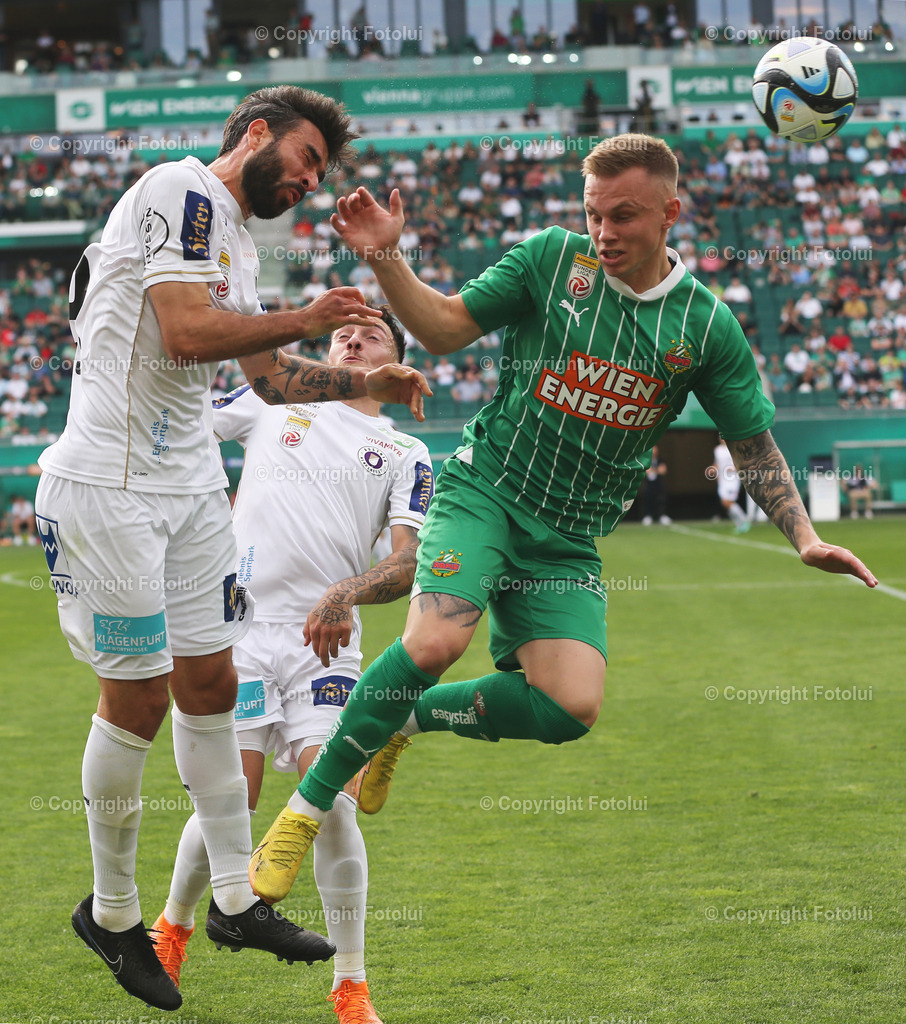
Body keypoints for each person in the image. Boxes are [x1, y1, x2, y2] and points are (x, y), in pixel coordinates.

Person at [248, 134, 877, 910]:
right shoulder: (551, 261)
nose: (604, 232)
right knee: (437, 639)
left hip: (567, 536)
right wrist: (386, 258)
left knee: (569, 707)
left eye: (624, 216)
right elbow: (443, 328)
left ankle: (405, 719)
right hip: (486, 491)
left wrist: (806, 535)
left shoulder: (705, 327)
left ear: (671, 213)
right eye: (593, 215)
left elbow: (750, 443)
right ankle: (304, 810)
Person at [32, 85, 429, 1012]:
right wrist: (305, 316)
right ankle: (117, 915)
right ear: (256, 133)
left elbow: (269, 378)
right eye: (304, 160)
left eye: (320, 173)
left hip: (186, 490)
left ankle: (236, 900)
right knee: (134, 695)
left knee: (206, 685)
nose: (307, 181)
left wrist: (364, 374)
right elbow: (183, 333)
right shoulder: (180, 189)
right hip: (113, 484)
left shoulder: (236, 245)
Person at [151, 309, 432, 1022]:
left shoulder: (403, 451)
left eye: (372, 334)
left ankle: (351, 984)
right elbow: (178, 425)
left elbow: (407, 561)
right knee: (228, 803)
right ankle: (172, 930)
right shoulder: (271, 398)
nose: (353, 336)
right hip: (239, 630)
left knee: (333, 801)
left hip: (325, 643)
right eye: (344, 332)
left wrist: (344, 593)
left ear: (395, 360)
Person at [709, 437, 749, 533]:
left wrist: (734, 469)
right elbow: (717, 463)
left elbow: (741, 463)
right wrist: (713, 469)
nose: (721, 438)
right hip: (722, 480)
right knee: (724, 503)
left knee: (728, 501)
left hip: (732, 479)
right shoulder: (717, 450)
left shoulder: (734, 448)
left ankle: (744, 519)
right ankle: (739, 524)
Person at [640, 445, 671, 526]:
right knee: (648, 499)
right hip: (648, 485)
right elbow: (646, 471)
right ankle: (648, 516)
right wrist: (657, 470)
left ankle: (662, 516)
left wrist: (654, 470)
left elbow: (663, 470)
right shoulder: (646, 460)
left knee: (660, 500)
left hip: (658, 484)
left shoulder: (660, 460)